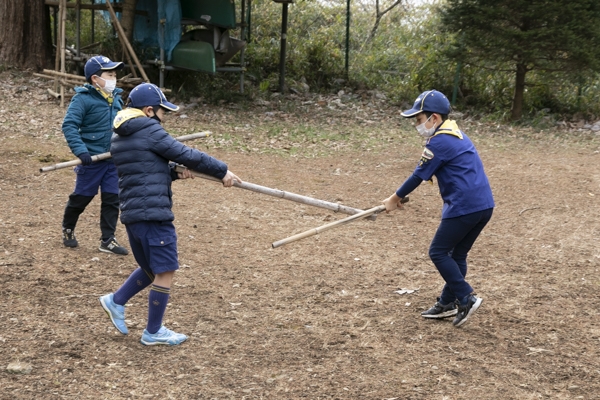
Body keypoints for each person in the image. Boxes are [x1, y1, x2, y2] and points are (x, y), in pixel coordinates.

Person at [99, 83, 242, 346]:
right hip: (153, 214)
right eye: (163, 112)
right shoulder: (149, 129)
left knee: (151, 269)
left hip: (134, 213)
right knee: (165, 271)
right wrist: (222, 171)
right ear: (149, 110)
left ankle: (116, 301)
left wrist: (172, 172)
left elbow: (143, 170)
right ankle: (153, 332)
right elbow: (186, 153)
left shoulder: (120, 135)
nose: (164, 119)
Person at [382, 89, 495, 327]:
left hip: (464, 207)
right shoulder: (456, 134)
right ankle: (447, 303)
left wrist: (394, 198)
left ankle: (466, 297)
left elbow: (418, 176)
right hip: (483, 206)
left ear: (434, 118)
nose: (417, 125)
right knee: (458, 254)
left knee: (438, 252)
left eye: (419, 119)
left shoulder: (439, 141)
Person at [61, 55, 129, 255]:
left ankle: (107, 239)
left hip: (112, 160)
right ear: (94, 78)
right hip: (91, 161)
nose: (113, 78)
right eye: (109, 74)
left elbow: (122, 125)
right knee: (81, 199)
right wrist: (81, 151)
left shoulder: (116, 98)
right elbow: (69, 125)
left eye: (115, 74)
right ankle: (68, 228)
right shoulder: (82, 99)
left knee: (112, 199)